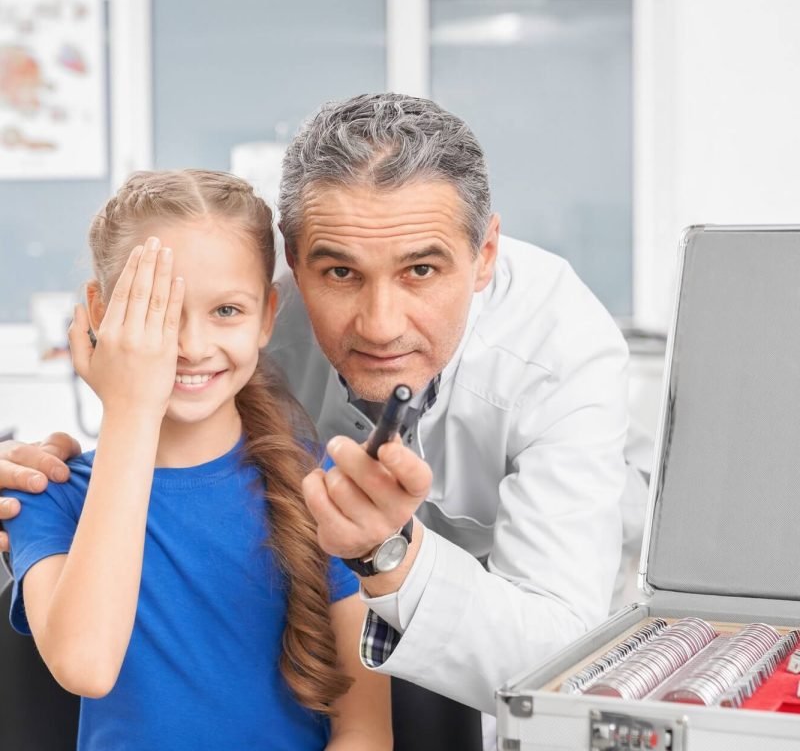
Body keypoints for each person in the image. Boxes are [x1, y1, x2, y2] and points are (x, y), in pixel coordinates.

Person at [0, 94, 645, 721]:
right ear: (292, 264)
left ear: (485, 256)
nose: (380, 326)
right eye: (340, 273)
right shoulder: (250, 324)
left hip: (516, 627)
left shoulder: (560, 350)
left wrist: (385, 553)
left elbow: (555, 668)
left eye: (421, 270)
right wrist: (58, 468)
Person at [0, 170, 391, 750]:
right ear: (99, 312)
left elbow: (365, 731)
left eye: (226, 311)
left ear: (267, 316)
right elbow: (86, 665)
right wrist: (131, 408)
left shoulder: (328, 491)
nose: (192, 345)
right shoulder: (47, 493)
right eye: (157, 312)